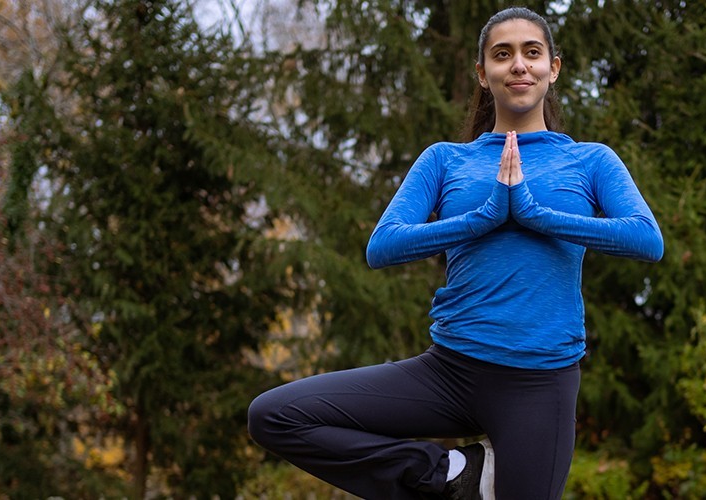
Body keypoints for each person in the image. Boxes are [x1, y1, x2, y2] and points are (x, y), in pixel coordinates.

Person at [246, 7, 662, 500]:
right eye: (502, 55)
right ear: (483, 74)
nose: (519, 65)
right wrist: (482, 217)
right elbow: (383, 245)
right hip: (449, 370)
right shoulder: (447, 159)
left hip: (539, 384)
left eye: (532, 53)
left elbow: (646, 239)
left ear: (554, 68)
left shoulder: (590, 159)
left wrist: (532, 213)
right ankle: (450, 474)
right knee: (274, 415)